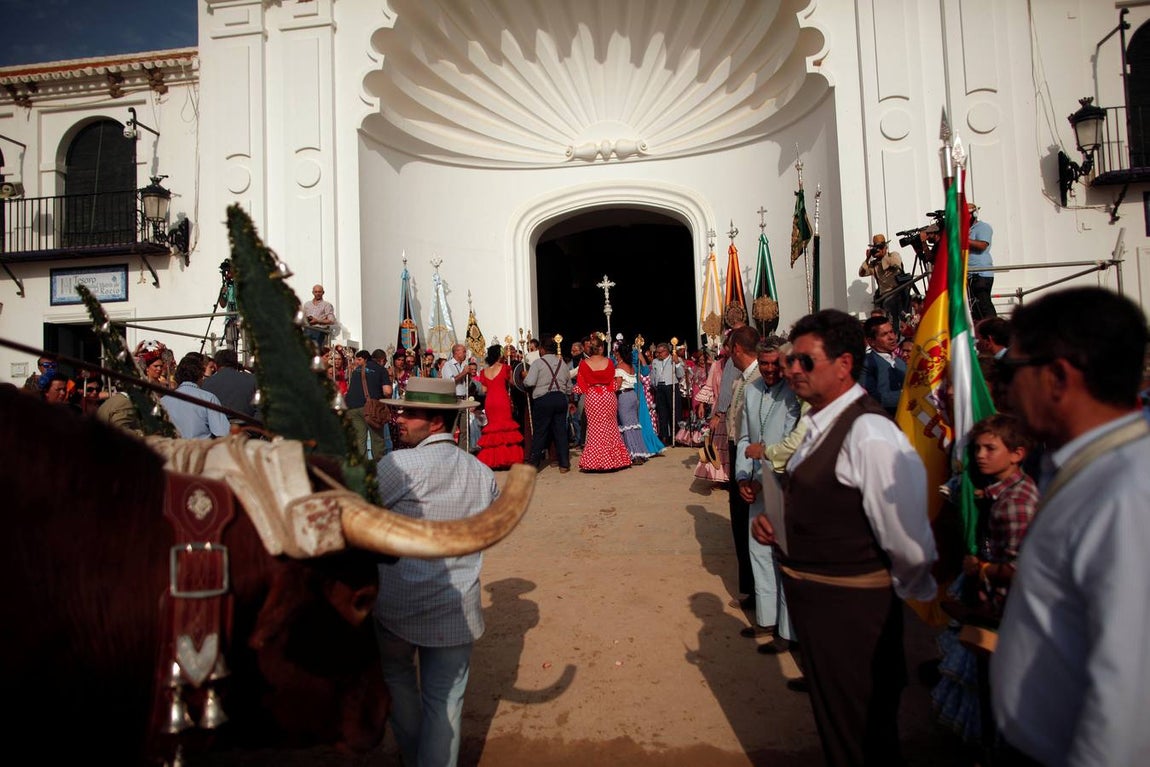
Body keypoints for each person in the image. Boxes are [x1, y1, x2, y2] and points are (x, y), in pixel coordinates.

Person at [752, 309, 937, 765]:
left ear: (844, 364)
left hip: (856, 617)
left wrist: (890, 598)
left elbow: (910, 544)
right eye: (791, 359)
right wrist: (784, 526)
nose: (793, 369)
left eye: (805, 361)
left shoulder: (870, 434)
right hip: (821, 611)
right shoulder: (818, 425)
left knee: (863, 739)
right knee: (839, 732)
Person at [991, 287, 1150, 767]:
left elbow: (1129, 702)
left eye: (1011, 371)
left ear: (1057, 377)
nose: (1003, 388)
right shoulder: (1092, 469)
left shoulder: (1129, 492)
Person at [372, 377, 497, 767]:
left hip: (396, 604)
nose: (401, 418)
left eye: (410, 413)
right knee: (446, 701)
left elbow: (359, 511)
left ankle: (415, 757)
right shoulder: (482, 474)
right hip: (455, 606)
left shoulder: (397, 465)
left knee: (397, 678)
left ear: (437, 422)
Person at [735, 337, 801, 645]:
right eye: (764, 364)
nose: (770, 370)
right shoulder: (751, 390)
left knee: (783, 555)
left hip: (784, 484)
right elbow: (745, 438)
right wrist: (743, 478)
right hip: (756, 487)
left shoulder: (794, 395)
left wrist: (765, 477)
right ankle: (766, 618)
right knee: (758, 552)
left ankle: (788, 632)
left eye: (776, 363)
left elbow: (792, 441)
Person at [719, 325, 761, 608]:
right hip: (739, 449)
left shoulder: (759, 379)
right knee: (740, 520)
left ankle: (759, 592)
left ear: (736, 349)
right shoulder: (742, 379)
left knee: (751, 522)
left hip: (753, 455)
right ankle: (750, 587)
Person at [574, 336, 631, 472]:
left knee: (594, 428)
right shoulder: (609, 362)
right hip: (608, 395)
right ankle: (613, 460)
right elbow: (613, 383)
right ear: (601, 348)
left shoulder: (584, 363)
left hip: (593, 396)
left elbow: (581, 384)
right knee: (611, 426)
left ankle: (595, 461)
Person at [522, 336, 572, 473]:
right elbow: (569, 386)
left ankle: (533, 464)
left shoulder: (538, 363)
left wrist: (525, 376)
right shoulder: (562, 364)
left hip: (543, 399)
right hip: (560, 398)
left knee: (540, 432)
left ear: (542, 349)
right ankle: (564, 464)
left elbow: (529, 382)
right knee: (560, 432)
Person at [476, 344, 524, 469]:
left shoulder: (483, 371)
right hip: (502, 399)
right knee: (505, 427)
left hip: (490, 401)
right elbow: (513, 383)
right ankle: (507, 458)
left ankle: (494, 459)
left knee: (493, 428)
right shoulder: (505, 368)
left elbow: (484, 389)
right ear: (499, 354)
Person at [160, 353, 231, 439]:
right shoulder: (208, 398)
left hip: (172, 449)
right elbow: (223, 432)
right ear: (200, 375)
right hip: (200, 449)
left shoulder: (164, 401)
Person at [345, 349, 392, 461]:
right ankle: (380, 470)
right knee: (377, 441)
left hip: (352, 408)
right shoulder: (381, 370)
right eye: (385, 361)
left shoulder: (357, 370)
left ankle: (363, 472)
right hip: (371, 408)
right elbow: (388, 391)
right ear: (381, 360)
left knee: (359, 441)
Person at [860, 315, 907, 417]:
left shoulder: (901, 363)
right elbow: (872, 398)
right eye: (884, 334)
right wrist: (906, 396)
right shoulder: (866, 363)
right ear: (871, 341)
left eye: (891, 332)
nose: (892, 337)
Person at [614, 348, 654, 464]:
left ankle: (634, 454)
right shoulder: (630, 366)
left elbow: (618, 384)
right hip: (633, 395)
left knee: (627, 426)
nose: (615, 356)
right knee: (634, 425)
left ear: (620, 355)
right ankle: (640, 452)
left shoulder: (620, 367)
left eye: (616, 354)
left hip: (624, 396)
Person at [858, 233, 907, 324]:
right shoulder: (874, 264)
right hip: (885, 296)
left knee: (897, 317)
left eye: (880, 247)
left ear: (885, 247)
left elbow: (896, 264)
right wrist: (867, 258)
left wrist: (883, 255)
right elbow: (861, 273)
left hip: (897, 291)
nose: (877, 250)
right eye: (876, 248)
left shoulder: (892, 255)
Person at [201, 348, 258, 420]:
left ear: (216, 365)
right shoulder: (252, 380)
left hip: (216, 428)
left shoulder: (206, 383)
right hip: (246, 427)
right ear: (236, 363)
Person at [650, 342, 684, 446]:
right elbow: (653, 376)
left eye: (660, 352)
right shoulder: (655, 361)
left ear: (666, 351)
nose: (659, 354)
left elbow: (681, 374)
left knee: (675, 412)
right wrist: (655, 385)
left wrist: (677, 363)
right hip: (660, 387)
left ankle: (677, 437)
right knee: (662, 413)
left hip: (671, 386)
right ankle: (664, 436)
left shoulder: (674, 358)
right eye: (657, 352)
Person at [966, 204, 995, 320]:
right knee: (975, 308)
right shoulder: (964, 230)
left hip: (981, 274)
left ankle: (994, 329)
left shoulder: (983, 227)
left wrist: (963, 239)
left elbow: (983, 245)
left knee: (984, 305)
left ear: (974, 214)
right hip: (969, 273)